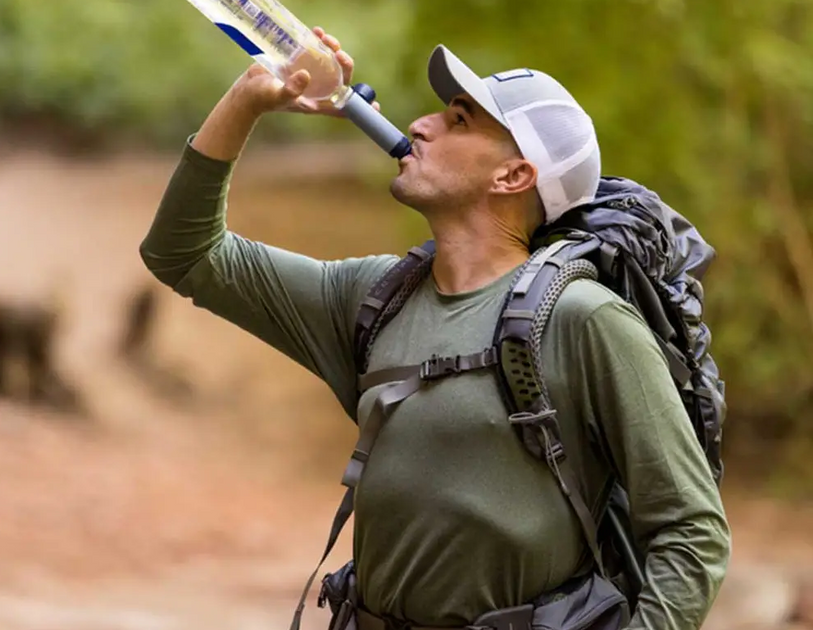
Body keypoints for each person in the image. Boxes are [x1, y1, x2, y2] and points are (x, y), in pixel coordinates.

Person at [140, 27, 731, 630]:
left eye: (458, 121)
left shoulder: (585, 318)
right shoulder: (375, 295)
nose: (421, 125)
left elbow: (692, 533)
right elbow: (184, 254)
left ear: (513, 177)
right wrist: (247, 99)